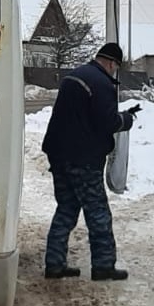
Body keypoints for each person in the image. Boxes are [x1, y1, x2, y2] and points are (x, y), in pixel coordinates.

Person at [40, 42, 140, 281]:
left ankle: (54, 264)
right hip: (83, 158)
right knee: (98, 212)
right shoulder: (101, 83)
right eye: (116, 67)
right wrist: (126, 119)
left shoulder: (74, 76)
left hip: (58, 153)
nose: (115, 71)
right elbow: (107, 122)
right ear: (111, 62)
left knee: (67, 208)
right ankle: (103, 266)